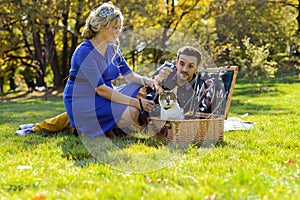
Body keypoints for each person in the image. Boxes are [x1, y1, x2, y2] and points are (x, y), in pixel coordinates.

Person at [16, 46, 203, 136]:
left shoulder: (193, 89)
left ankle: (39, 127)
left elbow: (181, 116)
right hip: (132, 100)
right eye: (182, 63)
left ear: (196, 68)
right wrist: (158, 80)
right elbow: (145, 85)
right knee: (84, 111)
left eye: (190, 66)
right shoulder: (166, 70)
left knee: (86, 116)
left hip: (140, 118)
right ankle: (36, 127)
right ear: (177, 61)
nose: (184, 69)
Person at [63, 2, 156, 137]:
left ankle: (109, 128)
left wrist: (148, 80)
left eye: (119, 28)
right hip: (84, 100)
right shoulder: (84, 52)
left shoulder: (112, 49)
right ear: (101, 26)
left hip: (106, 94)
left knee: (140, 87)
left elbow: (130, 76)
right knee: (132, 111)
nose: (118, 32)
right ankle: (89, 127)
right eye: (115, 27)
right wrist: (137, 103)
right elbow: (101, 89)